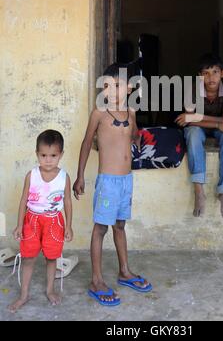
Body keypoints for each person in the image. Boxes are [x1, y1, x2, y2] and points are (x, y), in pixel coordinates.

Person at [73, 63, 152, 307]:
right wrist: (80, 176)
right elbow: (87, 143)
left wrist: (143, 138)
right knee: (100, 229)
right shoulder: (99, 112)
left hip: (126, 181)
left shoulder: (130, 112)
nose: (111, 91)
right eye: (106, 86)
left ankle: (124, 271)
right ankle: (96, 280)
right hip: (108, 182)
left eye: (116, 85)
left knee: (120, 225)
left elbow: (135, 135)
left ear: (129, 87)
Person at [8, 130, 73, 312]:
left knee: (51, 258)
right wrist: (20, 224)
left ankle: (50, 290)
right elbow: (23, 200)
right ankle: (24, 295)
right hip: (32, 221)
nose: (48, 160)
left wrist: (68, 225)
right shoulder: (32, 175)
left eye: (53, 155)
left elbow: (67, 201)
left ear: (61, 154)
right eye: (43, 155)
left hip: (54, 222)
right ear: (37, 154)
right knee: (28, 258)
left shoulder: (64, 177)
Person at [176, 54, 223, 219]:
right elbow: (188, 122)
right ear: (199, 76)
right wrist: (217, 123)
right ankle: (199, 190)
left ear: (222, 74)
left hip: (216, 127)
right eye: (206, 73)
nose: (211, 77)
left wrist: (197, 117)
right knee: (193, 134)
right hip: (199, 128)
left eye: (215, 72)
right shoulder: (192, 88)